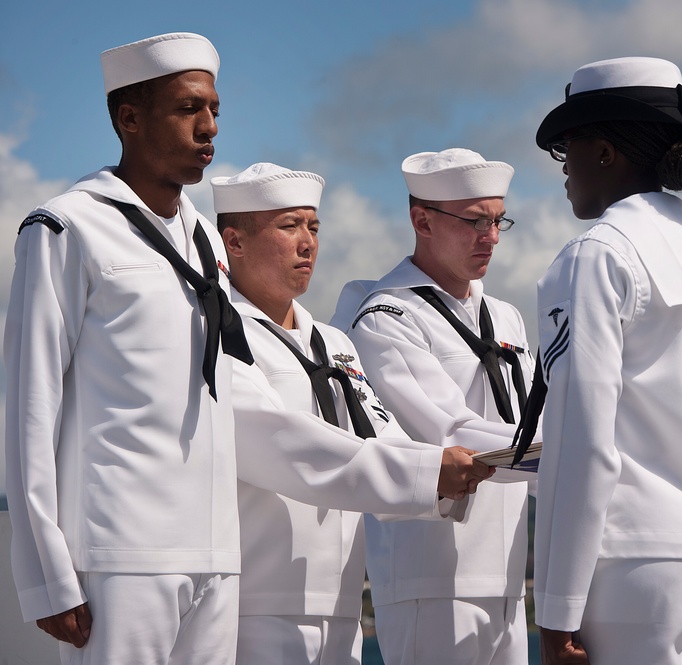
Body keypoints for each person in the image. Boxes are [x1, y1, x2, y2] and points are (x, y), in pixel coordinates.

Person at [3, 33, 487, 665]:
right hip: (122, 550)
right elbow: (29, 401)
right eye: (187, 110)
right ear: (128, 118)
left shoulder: (203, 241)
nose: (208, 128)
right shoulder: (70, 227)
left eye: (215, 111)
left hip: (216, 556)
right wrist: (44, 571)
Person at [525, 56, 682, 665]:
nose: (564, 172)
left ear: (605, 153)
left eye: (569, 151)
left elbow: (583, 441)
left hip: (632, 564)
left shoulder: (595, 255)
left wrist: (556, 608)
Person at [214, 163, 490, 664]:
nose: (307, 243)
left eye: (313, 228)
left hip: (340, 604)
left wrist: (455, 467)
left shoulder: (333, 342)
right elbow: (281, 443)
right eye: (289, 226)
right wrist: (430, 472)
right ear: (234, 241)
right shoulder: (219, 338)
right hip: (255, 604)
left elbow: (381, 435)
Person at [336, 148, 537, 665]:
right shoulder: (386, 315)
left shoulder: (506, 316)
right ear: (421, 220)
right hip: (431, 571)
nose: (490, 238)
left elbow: (538, 417)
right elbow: (450, 432)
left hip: (508, 568)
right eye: (474, 222)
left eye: (497, 221)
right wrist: (573, 453)